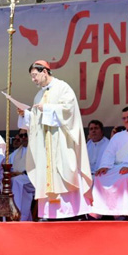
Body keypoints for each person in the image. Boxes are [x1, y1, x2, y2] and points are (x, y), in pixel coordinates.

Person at [17, 60, 93, 220]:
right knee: (46, 174)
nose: (33, 80)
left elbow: (69, 111)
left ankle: (71, 214)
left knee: (64, 171)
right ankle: (50, 215)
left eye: (35, 75)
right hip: (45, 144)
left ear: (44, 71)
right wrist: (26, 115)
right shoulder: (38, 95)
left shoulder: (63, 88)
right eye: (31, 77)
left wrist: (48, 108)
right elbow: (37, 122)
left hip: (61, 143)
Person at [9, 128, 35, 221]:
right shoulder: (15, 153)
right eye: (21, 136)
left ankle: (19, 216)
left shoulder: (37, 150)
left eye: (26, 135)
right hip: (18, 179)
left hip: (33, 180)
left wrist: (22, 173)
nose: (23, 138)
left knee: (17, 182)